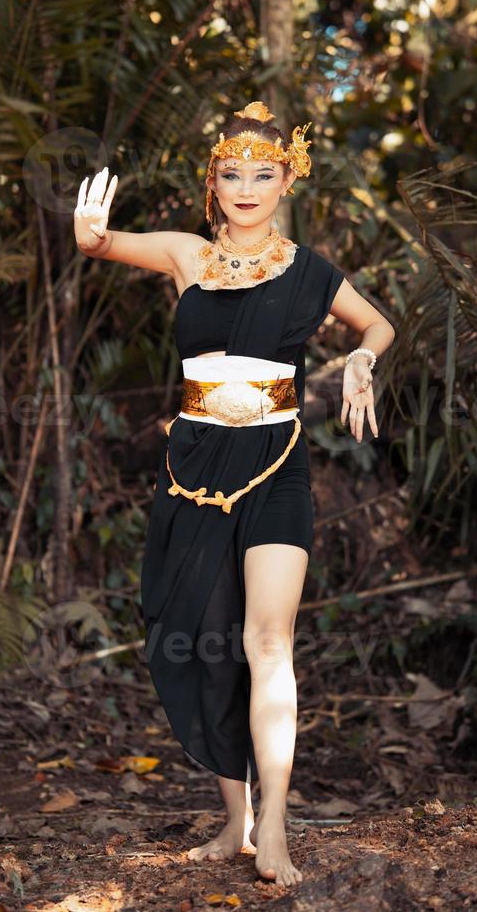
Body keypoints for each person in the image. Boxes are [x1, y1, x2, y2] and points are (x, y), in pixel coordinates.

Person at [74, 101, 395, 886]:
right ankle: (236, 822)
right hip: (193, 464)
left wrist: (362, 360)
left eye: (263, 173)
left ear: (288, 179)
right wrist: (91, 236)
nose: (246, 187)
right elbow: (105, 243)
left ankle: (277, 829)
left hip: (275, 463)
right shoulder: (187, 254)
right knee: (210, 641)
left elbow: (377, 324)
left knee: (267, 641)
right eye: (231, 173)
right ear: (211, 183)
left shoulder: (312, 270)